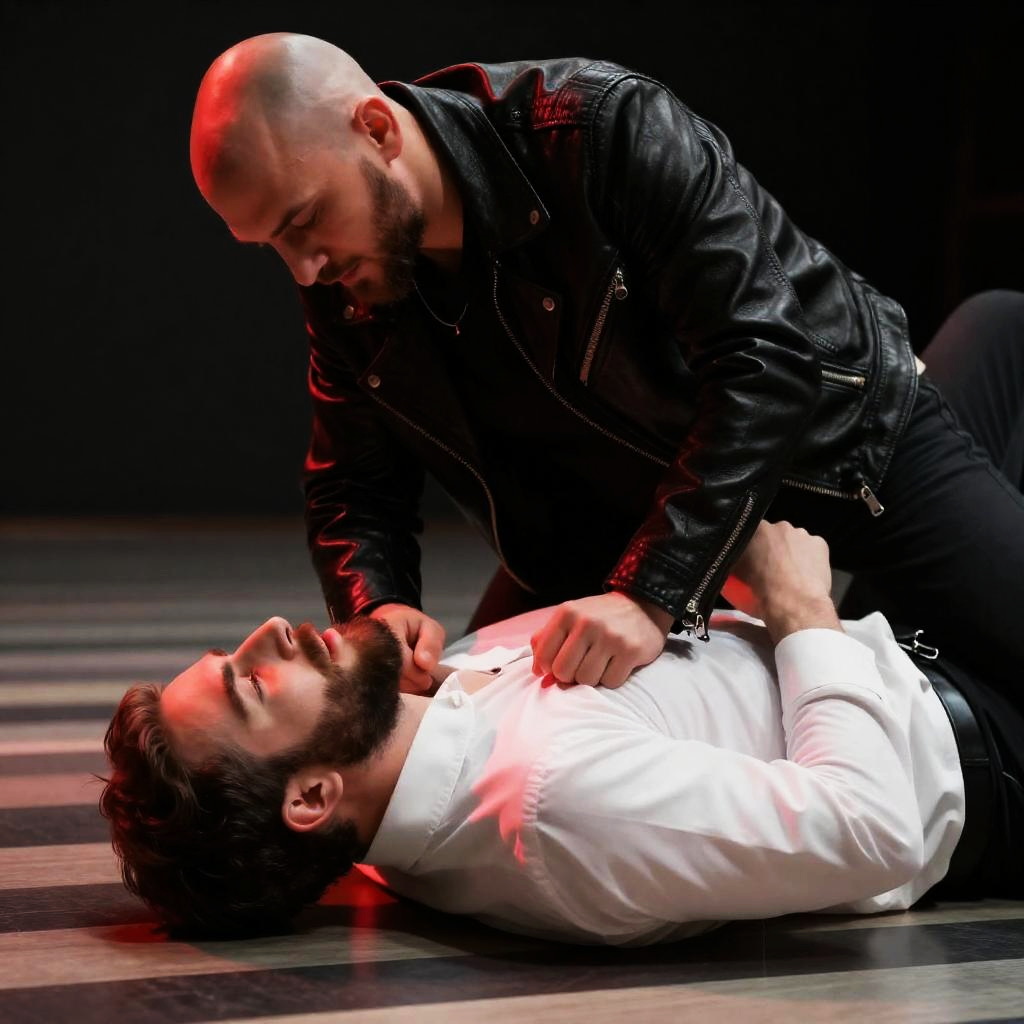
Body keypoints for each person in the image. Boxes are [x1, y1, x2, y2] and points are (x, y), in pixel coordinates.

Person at [187, 31, 1024, 694]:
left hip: (837, 452)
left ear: (375, 130)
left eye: (302, 221)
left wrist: (651, 594)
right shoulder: (348, 273)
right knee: (478, 741)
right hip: (612, 533)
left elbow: (766, 359)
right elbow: (351, 483)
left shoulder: (596, 129)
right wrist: (380, 607)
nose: (303, 270)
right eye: (270, 246)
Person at [99, 518, 1023, 943]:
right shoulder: (554, 801)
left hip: (886, 644)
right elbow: (873, 828)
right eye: (253, 684)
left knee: (984, 335)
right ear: (310, 795)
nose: (270, 630)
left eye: (231, 653)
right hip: (971, 736)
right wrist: (799, 604)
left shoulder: (412, 738)